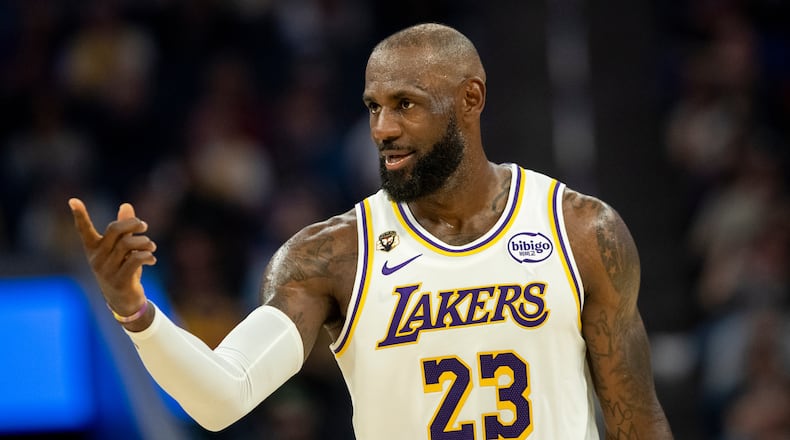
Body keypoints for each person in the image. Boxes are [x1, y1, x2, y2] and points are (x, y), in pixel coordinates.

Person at [69, 23, 673, 439]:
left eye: (405, 104)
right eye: (372, 107)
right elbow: (221, 400)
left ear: (470, 98)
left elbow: (635, 421)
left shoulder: (581, 230)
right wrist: (136, 314)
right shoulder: (329, 256)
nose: (382, 127)